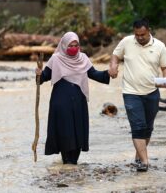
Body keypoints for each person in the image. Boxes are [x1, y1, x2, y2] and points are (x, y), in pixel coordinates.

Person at [35, 31, 110, 165]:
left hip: (79, 100)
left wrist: (108, 73)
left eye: (76, 45)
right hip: (61, 101)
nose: (73, 48)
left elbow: (94, 74)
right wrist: (39, 74)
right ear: (63, 45)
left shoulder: (83, 58)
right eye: (70, 45)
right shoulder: (56, 59)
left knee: (78, 129)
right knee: (65, 129)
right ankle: (67, 161)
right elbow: (43, 78)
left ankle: (73, 162)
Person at [108, 18, 166, 172]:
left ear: (149, 30)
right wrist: (113, 66)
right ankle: (144, 162)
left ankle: (138, 156)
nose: (140, 37)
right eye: (137, 34)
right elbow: (115, 56)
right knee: (138, 126)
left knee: (148, 128)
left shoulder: (159, 46)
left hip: (152, 92)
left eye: (142, 34)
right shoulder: (126, 42)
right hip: (130, 92)